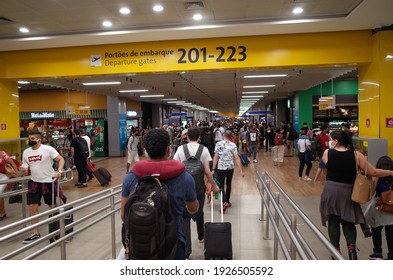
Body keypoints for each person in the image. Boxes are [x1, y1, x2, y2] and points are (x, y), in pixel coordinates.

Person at [120, 128, 199, 260]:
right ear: (168, 150)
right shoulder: (185, 178)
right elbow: (193, 208)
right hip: (173, 244)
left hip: (141, 246)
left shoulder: (131, 178)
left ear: (146, 150)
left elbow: (124, 215)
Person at [319, 130, 393, 260]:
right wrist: (391, 172)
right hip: (348, 192)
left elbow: (328, 165)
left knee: (333, 222)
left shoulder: (327, 153)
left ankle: (335, 254)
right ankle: (352, 253)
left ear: (336, 141)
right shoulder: (356, 155)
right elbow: (374, 172)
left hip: (330, 191)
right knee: (348, 222)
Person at [173, 127, 219, 259]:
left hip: (183, 187)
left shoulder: (181, 149)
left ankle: (187, 251)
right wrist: (214, 186)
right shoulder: (203, 149)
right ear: (199, 137)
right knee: (198, 211)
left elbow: (176, 168)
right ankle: (201, 235)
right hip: (198, 187)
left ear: (187, 137)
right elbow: (207, 171)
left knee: (185, 217)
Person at [19, 131, 65, 243]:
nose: (30, 140)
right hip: (34, 182)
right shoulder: (26, 152)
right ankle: (35, 233)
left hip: (48, 181)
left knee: (52, 205)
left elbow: (61, 159)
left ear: (39, 139)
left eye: (33, 138)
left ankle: (59, 227)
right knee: (32, 207)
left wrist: (59, 171)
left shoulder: (47, 149)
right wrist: (23, 169)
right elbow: (25, 166)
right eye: (29, 138)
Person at [365, 156, 393, 260]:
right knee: (390, 234)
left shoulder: (378, 177)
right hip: (392, 210)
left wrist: (374, 180)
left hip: (380, 208)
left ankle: (377, 253)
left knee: (376, 230)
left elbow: (371, 193)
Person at [212, 130, 244, 212]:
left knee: (221, 185)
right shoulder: (233, 145)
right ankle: (228, 201)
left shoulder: (218, 144)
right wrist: (241, 171)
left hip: (220, 168)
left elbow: (215, 157)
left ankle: (224, 202)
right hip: (230, 168)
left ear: (223, 136)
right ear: (230, 137)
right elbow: (237, 158)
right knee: (228, 184)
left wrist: (212, 169)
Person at [0, 151, 20, 221]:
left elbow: (12, 163)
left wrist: (17, 174)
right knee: (0, 195)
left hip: (3, 177)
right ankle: (2, 212)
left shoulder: (2, 153)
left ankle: (2, 212)